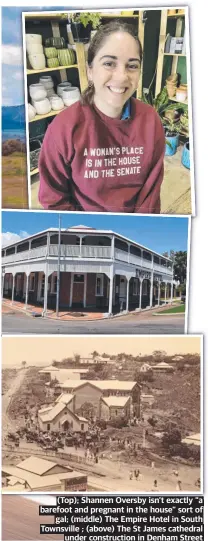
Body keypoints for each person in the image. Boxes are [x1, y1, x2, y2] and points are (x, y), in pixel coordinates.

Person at [38, 21, 165, 213]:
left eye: (132, 66)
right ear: (90, 70)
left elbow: (151, 195)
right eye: (109, 63)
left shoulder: (151, 121)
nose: (122, 76)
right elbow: (54, 199)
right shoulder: (64, 128)